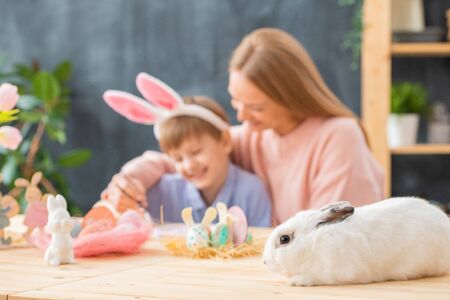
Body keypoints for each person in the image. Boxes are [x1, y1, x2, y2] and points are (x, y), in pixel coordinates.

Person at [102, 28, 384, 226]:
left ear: (290, 96)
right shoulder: (255, 134)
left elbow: (333, 231)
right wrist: (131, 181)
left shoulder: (338, 136)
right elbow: (174, 159)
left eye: (256, 107)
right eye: (236, 101)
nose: (243, 117)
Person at [102, 82, 272, 227]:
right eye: (178, 158)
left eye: (196, 152)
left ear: (225, 141)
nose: (189, 165)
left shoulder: (251, 191)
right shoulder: (162, 191)